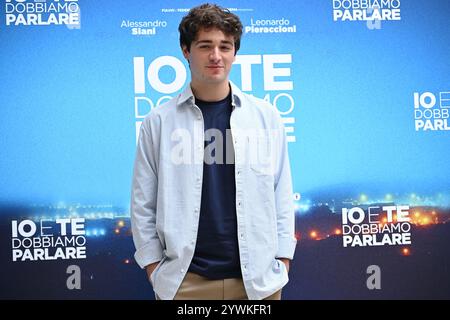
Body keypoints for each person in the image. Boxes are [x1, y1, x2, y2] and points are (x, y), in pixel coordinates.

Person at [130, 3, 296, 300]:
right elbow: (143, 204)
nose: (216, 56)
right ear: (185, 50)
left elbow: (281, 193)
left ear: (235, 52)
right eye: (205, 46)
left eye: (225, 46)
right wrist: (155, 269)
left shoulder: (266, 117)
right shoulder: (158, 122)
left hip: (258, 283)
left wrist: (282, 260)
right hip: (186, 284)